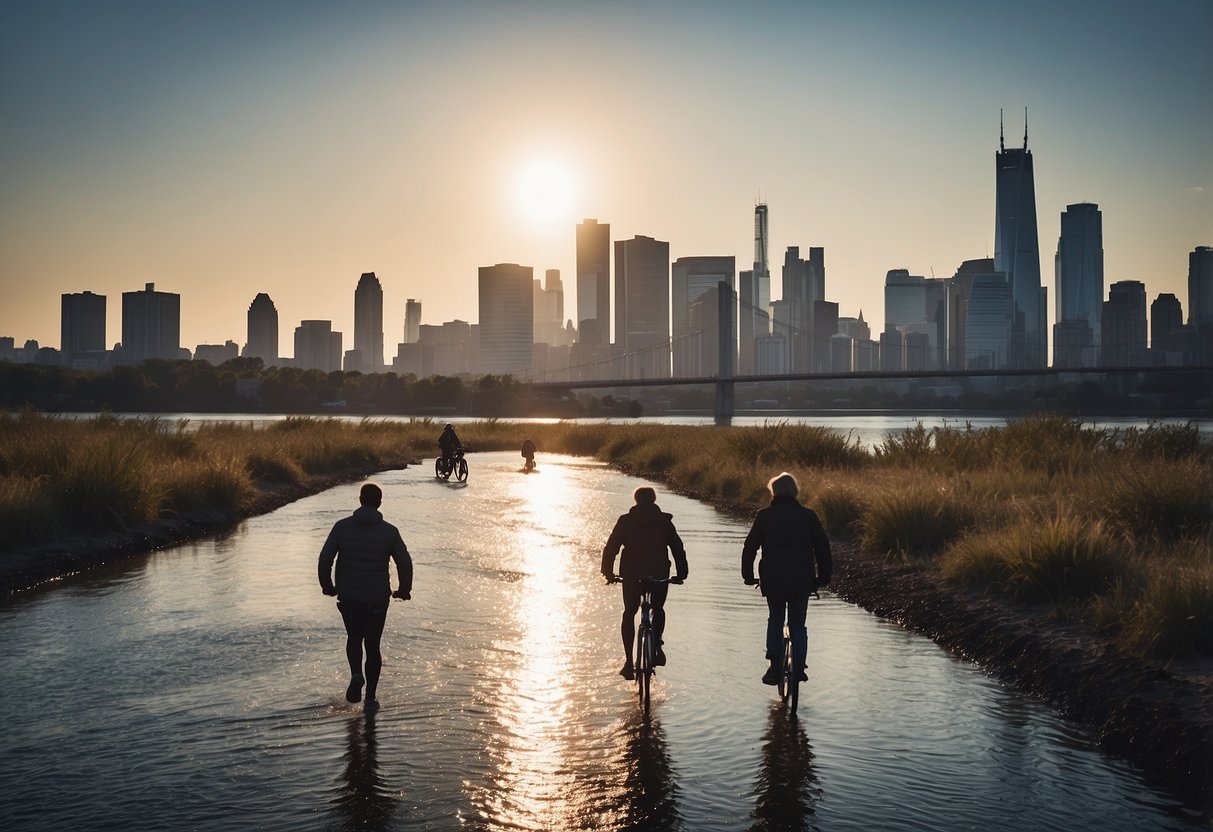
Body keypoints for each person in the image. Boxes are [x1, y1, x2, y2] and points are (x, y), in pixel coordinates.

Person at [318, 482, 413, 712]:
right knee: (373, 646)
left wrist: (327, 585)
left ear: (360, 500)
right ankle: (370, 698)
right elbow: (404, 562)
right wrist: (404, 589)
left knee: (353, 637)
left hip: (349, 596)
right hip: (377, 599)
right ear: (379, 502)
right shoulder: (389, 531)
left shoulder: (341, 527)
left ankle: (356, 674)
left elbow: (325, 559)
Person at [741, 472, 831, 686]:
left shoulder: (765, 516)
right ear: (795, 492)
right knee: (798, 624)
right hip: (802, 579)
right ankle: (799, 667)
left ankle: (774, 666)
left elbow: (750, 547)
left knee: (775, 618)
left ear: (774, 492)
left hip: (773, 579)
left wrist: (747, 575)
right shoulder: (808, 516)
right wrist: (824, 576)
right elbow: (822, 548)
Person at [602, 486, 688, 680]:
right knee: (658, 608)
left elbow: (611, 549)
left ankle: (628, 661)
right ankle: (657, 645)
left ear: (636, 501)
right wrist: (681, 573)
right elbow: (678, 548)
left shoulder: (625, 521)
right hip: (659, 573)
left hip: (632, 575)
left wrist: (608, 573)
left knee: (629, 612)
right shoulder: (665, 522)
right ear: (654, 500)